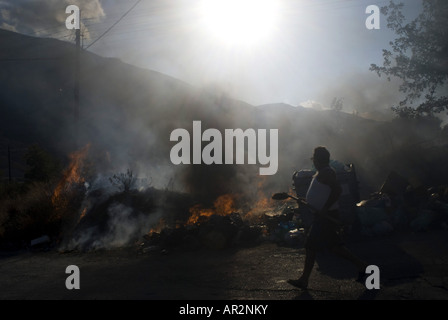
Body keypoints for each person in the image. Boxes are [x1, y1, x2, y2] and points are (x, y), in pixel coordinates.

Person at [288, 146, 368, 289]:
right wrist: (306, 201)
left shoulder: (327, 172)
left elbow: (337, 190)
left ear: (318, 160)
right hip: (323, 215)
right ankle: (363, 267)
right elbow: (322, 193)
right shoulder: (322, 173)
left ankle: (304, 280)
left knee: (311, 246)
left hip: (326, 216)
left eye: (314, 158)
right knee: (334, 247)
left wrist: (324, 208)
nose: (313, 161)